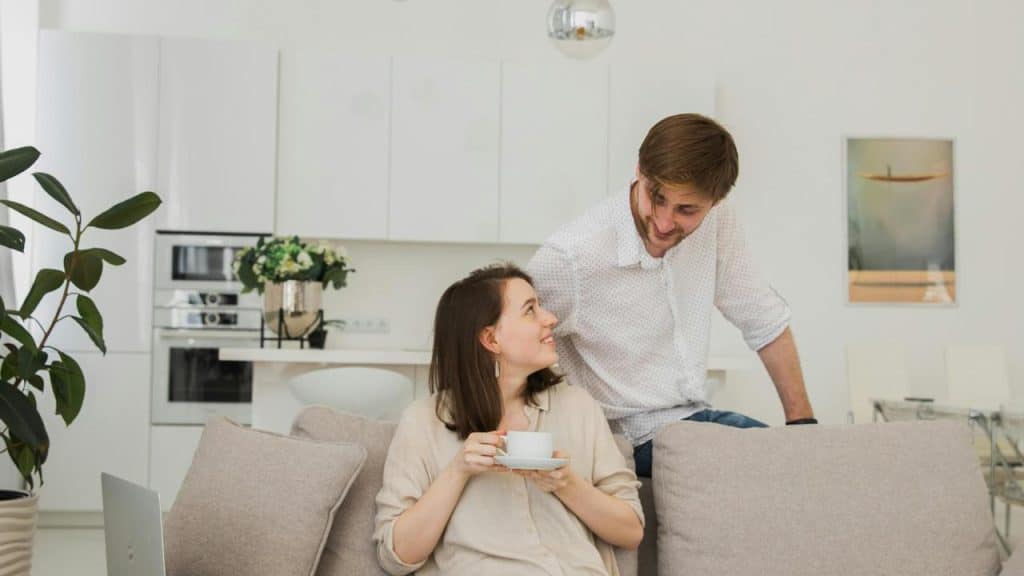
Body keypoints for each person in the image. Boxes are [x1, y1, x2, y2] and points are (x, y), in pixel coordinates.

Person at [526, 113, 816, 478]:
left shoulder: (718, 222)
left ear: (715, 203)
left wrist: (804, 427)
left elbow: (764, 321)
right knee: (780, 471)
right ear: (638, 171)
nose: (664, 223)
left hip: (689, 421)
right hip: (625, 436)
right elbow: (506, 345)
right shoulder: (572, 256)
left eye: (686, 210)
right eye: (656, 197)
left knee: (807, 465)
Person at [374, 264, 644, 576]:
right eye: (530, 310)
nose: (550, 318)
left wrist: (566, 483)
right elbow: (397, 556)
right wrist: (458, 471)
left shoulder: (578, 407)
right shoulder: (424, 422)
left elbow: (631, 532)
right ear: (491, 339)